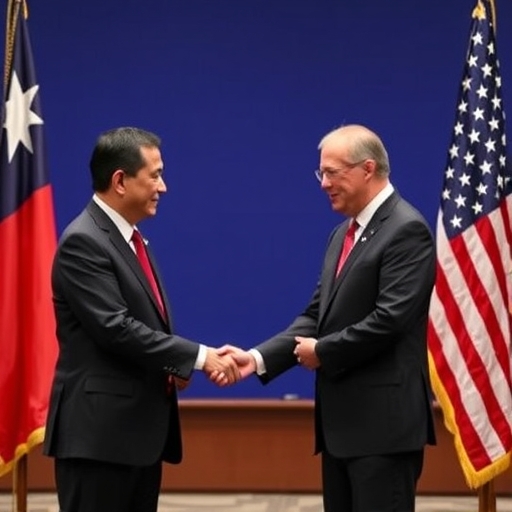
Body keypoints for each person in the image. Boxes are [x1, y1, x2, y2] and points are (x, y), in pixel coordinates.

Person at [216, 124, 437, 512]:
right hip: (342, 429)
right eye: (321, 173)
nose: (323, 184)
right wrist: (257, 358)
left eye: (332, 172)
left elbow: (390, 320)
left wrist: (323, 352)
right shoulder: (342, 234)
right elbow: (318, 315)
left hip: (383, 430)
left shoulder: (407, 229)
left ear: (367, 169)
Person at [43, 127, 239, 512]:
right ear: (120, 181)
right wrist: (200, 357)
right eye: (155, 175)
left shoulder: (129, 239)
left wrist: (172, 366)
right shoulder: (84, 241)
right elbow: (115, 328)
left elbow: (142, 324)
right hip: (99, 440)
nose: (163, 187)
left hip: (134, 437)